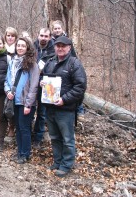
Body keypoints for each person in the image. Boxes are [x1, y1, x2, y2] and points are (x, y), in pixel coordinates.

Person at [41, 36, 87, 177]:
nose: (60, 48)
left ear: (69, 48)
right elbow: (44, 77)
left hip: (65, 109)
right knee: (54, 137)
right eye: (58, 46)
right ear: (54, 47)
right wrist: (42, 83)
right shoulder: (50, 62)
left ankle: (67, 164)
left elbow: (80, 87)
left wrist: (64, 100)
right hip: (50, 107)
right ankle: (57, 161)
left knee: (67, 139)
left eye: (63, 46)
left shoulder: (74, 64)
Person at [4, 37, 39, 164]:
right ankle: (20, 152)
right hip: (15, 101)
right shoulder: (12, 62)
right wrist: (8, 91)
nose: (20, 48)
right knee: (18, 127)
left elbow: (34, 85)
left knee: (25, 128)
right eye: (18, 45)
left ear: (27, 48)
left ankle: (25, 153)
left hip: (26, 103)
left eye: (23, 46)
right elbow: (7, 80)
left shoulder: (32, 64)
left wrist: (28, 104)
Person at [50, 20, 85, 121]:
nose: (57, 30)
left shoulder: (67, 41)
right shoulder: (51, 41)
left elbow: (73, 55)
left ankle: (80, 110)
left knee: (73, 86)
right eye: (55, 29)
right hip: (55, 69)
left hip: (67, 68)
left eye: (58, 28)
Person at [32, 28, 55, 149]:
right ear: (38, 35)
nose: (43, 38)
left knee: (42, 113)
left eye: (46, 36)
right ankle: (29, 135)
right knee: (29, 110)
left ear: (50, 37)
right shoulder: (32, 47)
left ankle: (38, 138)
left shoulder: (54, 50)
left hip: (46, 84)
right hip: (31, 83)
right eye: (41, 35)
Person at [4, 27, 18, 138]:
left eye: (12, 36)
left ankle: (13, 127)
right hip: (2, 81)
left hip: (14, 82)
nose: (10, 38)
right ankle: (4, 127)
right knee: (4, 106)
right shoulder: (0, 48)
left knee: (13, 106)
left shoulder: (19, 49)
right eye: (8, 35)